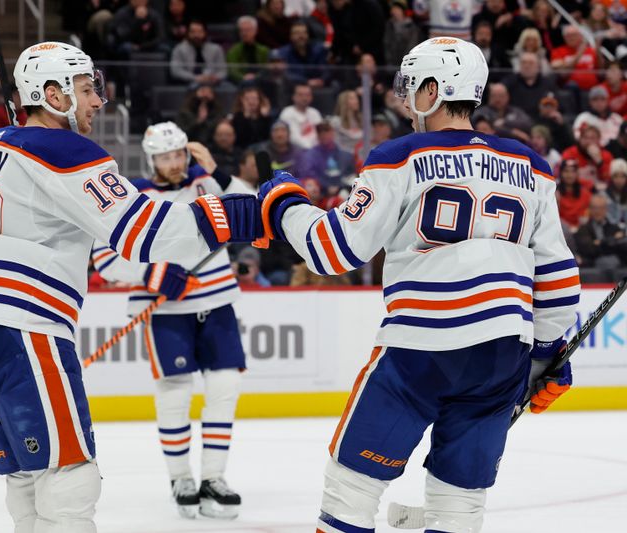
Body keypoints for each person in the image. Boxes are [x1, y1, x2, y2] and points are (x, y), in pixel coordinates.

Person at [0, 42, 261, 533]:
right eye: (85, 89)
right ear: (52, 95)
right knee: (70, 475)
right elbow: (143, 232)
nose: (98, 100)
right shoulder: (64, 147)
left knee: (28, 477)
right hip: (19, 326)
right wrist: (249, 211)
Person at [246, 37, 579, 532]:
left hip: (419, 350)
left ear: (433, 90)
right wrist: (547, 357)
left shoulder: (400, 155)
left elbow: (333, 250)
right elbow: (557, 276)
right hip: (500, 358)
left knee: (352, 486)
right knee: (460, 502)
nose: (404, 99)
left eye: (411, 86)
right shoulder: (532, 166)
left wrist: (285, 203)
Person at [92, 122, 252, 519]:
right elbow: (105, 256)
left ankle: (213, 477)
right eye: (165, 157)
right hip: (166, 312)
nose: (174, 162)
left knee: (225, 386)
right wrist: (150, 274)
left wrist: (215, 170)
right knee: (176, 394)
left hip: (217, 302)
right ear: (152, 160)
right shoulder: (135, 197)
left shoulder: (207, 186)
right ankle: (180, 477)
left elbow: (253, 208)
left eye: (179, 153)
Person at [169, 20, 227, 86]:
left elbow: (223, 71)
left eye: (200, 32)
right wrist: (195, 78)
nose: (196, 35)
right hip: (188, 83)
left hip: (212, 83)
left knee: (227, 86)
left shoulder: (216, 49)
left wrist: (215, 77)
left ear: (205, 33)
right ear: (187, 33)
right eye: (193, 32)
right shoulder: (179, 49)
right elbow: (175, 71)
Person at [226, 15, 270, 84]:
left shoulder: (264, 50)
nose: (244, 33)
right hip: (240, 83)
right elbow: (232, 71)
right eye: (241, 30)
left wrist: (256, 77)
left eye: (247, 30)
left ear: (255, 31)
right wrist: (243, 77)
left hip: (261, 82)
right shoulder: (233, 51)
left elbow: (267, 69)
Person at [279, 83, 324, 149]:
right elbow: (294, 139)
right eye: (300, 95)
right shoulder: (287, 113)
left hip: (317, 150)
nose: (304, 98)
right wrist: (312, 149)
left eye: (307, 95)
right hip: (296, 151)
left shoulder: (314, 112)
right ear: (293, 97)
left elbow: (321, 133)